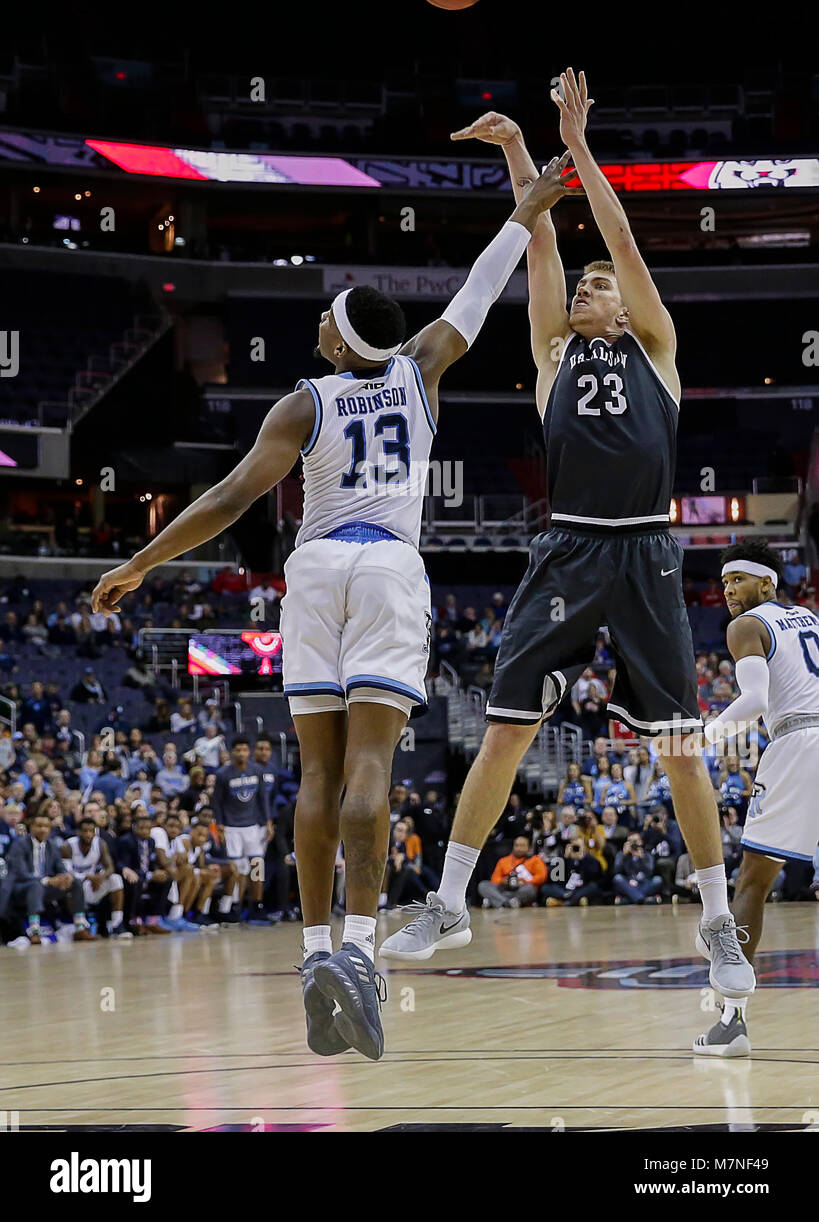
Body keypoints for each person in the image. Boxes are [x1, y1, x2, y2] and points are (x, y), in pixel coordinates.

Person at [90, 162, 569, 1061]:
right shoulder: (423, 369)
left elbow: (232, 497)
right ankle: (357, 952)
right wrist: (527, 209)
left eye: (324, 319)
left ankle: (315, 954)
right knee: (373, 763)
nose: (314, 324)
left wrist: (144, 560)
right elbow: (477, 289)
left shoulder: (302, 402)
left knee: (316, 772)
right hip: (389, 568)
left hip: (313, 571)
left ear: (343, 345)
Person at [381, 71, 753, 1006]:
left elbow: (616, 237)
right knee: (507, 730)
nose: (589, 285)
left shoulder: (656, 347)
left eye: (600, 285)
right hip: (568, 549)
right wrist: (518, 151)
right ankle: (451, 900)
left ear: (622, 306)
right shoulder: (551, 353)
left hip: (645, 552)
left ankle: (716, 919)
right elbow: (541, 233)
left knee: (677, 748)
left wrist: (578, 144)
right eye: (584, 284)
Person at [693, 541, 819, 1058]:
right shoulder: (809, 618)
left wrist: (701, 737)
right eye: (723, 584)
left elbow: (756, 701)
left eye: (738, 580)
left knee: (753, 880)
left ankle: (732, 1021)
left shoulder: (748, 626)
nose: (727, 591)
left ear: (767, 584)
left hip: (798, 744)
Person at [0, 812, 95, 943]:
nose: (42, 829)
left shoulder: (52, 845)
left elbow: (60, 868)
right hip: (20, 888)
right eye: (39, 826)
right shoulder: (20, 844)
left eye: (46, 826)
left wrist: (65, 877)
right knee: (36, 885)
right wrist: (47, 880)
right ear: (31, 827)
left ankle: (79, 928)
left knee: (76, 882)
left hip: (45, 888)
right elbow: (20, 873)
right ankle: (35, 931)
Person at [211, 736, 273, 926]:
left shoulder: (257, 770)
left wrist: (268, 821)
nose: (241, 753)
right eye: (238, 750)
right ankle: (235, 906)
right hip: (231, 827)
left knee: (257, 867)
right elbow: (216, 802)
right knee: (238, 869)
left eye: (245, 750)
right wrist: (219, 825)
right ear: (232, 752)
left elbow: (263, 798)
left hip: (253, 826)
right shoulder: (223, 774)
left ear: (249, 751)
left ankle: (257, 906)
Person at [62, 815, 132, 938]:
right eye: (85, 831)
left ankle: (116, 924)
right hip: (74, 888)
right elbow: (66, 873)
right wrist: (89, 877)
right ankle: (80, 925)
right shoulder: (68, 846)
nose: (88, 834)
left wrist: (100, 877)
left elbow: (110, 867)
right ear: (78, 832)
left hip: (92, 886)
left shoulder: (100, 843)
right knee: (72, 884)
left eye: (91, 831)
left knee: (116, 879)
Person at [477, 835, 547, 909]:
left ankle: (495, 901)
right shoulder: (503, 861)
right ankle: (508, 902)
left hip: (522, 889)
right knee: (483, 885)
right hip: (504, 888)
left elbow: (542, 877)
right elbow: (494, 879)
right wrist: (503, 881)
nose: (519, 848)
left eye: (522, 846)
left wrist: (524, 881)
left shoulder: (535, 860)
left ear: (529, 848)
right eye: (516, 845)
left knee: (531, 889)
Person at [612, 834, 664, 904]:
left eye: (635, 841)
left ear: (641, 842)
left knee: (657, 880)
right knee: (617, 878)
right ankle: (643, 899)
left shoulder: (647, 854)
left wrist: (641, 858)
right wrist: (624, 856)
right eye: (630, 841)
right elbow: (616, 871)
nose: (633, 844)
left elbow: (650, 872)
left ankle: (632, 899)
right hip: (628, 883)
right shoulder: (621, 854)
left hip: (644, 883)